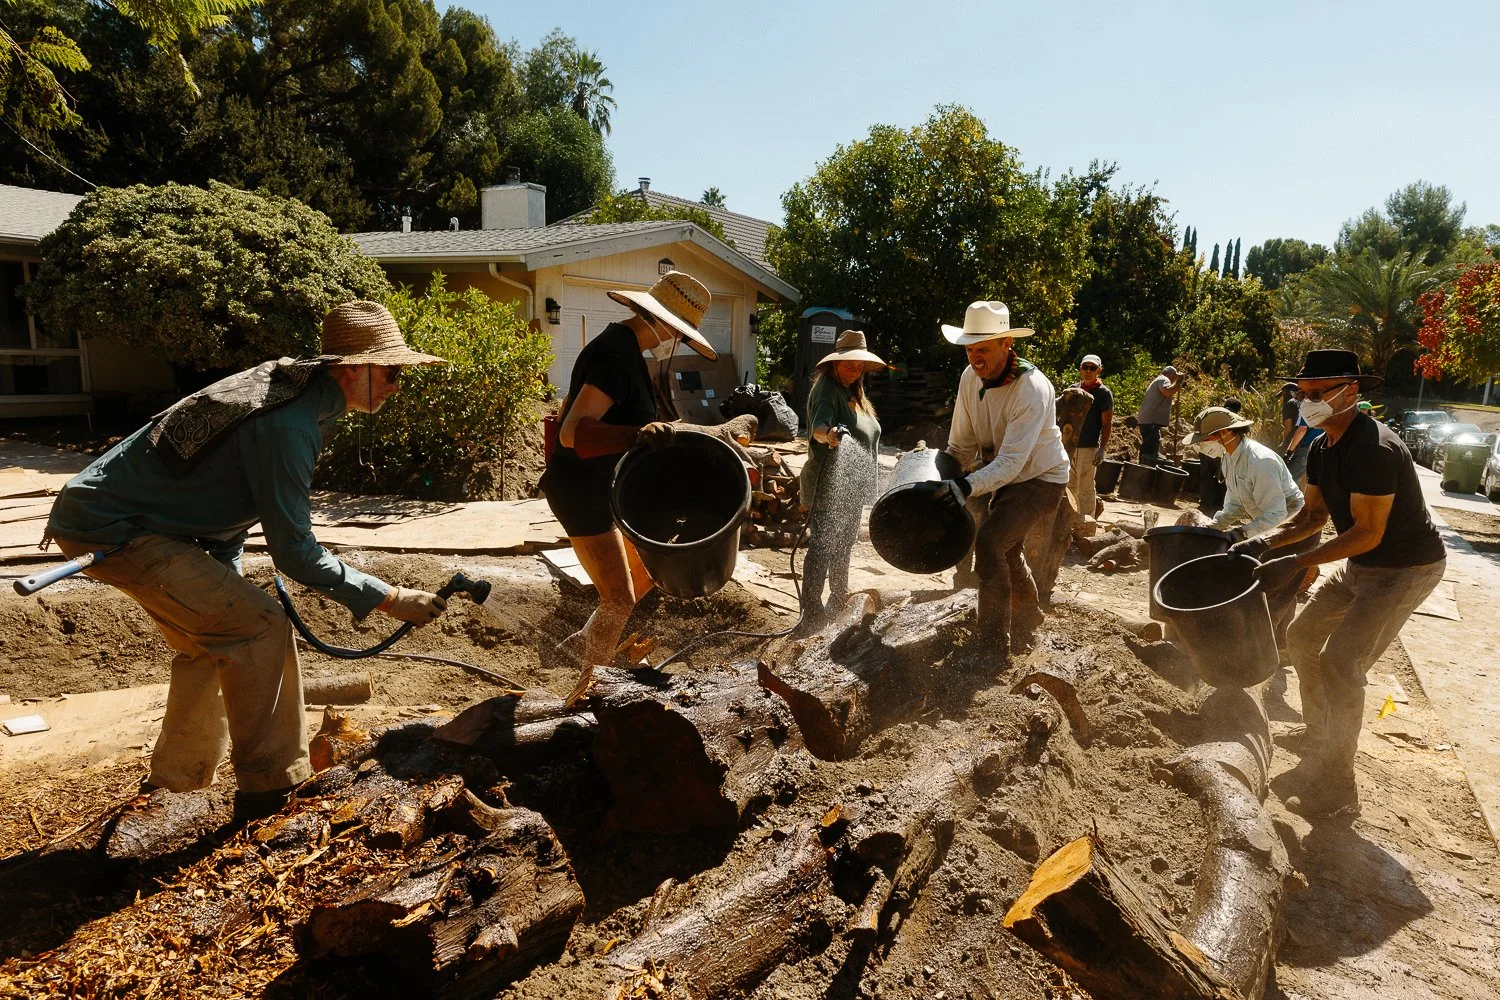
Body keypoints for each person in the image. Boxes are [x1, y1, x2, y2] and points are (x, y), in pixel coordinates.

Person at [45, 301, 449, 815]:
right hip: (115, 532)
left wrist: (227, 571)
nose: (397, 385)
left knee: (212, 641)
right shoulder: (289, 423)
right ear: (353, 368)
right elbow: (295, 553)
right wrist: (390, 598)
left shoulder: (294, 391)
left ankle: (175, 786)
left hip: (112, 519)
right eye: (392, 372)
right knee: (259, 627)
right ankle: (271, 788)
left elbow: (223, 503)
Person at [1230, 350, 1445, 819]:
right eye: (1303, 393)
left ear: (1350, 390)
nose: (1307, 401)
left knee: (1342, 662)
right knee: (1302, 637)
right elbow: (1311, 516)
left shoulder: (1374, 449)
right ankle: (1319, 731)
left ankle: (1339, 787)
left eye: (1318, 392)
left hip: (1405, 570)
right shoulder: (1324, 448)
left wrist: (1295, 564)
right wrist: (1256, 542)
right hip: (1365, 566)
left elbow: (1369, 531)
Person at [539, 270, 716, 700]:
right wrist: (637, 435)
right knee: (618, 598)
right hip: (580, 487)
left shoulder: (628, 351)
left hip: (604, 485)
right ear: (670, 324)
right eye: (682, 331)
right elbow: (571, 432)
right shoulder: (616, 353)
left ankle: (587, 646)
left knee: (649, 572)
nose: (678, 339)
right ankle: (583, 693)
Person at [937, 301, 1069, 666]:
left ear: (1006, 344)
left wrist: (964, 488)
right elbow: (960, 445)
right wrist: (943, 474)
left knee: (991, 541)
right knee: (1007, 550)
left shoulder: (1032, 388)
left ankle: (993, 645)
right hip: (1007, 473)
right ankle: (1029, 615)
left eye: (983, 349)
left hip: (1041, 479)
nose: (975, 357)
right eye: (969, 349)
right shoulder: (969, 378)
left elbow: (1013, 462)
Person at [1181, 406, 1309, 648]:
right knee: (1281, 588)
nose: (1201, 446)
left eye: (1205, 439)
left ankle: (1261, 651)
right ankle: (1282, 645)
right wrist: (1215, 525)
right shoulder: (1230, 458)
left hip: (1295, 529)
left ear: (1225, 434)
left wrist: (1241, 533)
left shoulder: (1260, 462)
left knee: (1274, 590)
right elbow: (1236, 503)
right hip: (1269, 525)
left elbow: (1277, 515)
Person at [799, 330, 885, 623]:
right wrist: (832, 434)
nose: (855, 368)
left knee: (844, 543)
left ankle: (837, 602)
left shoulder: (854, 391)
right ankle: (810, 611)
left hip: (850, 487)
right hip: (829, 485)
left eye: (860, 363)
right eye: (849, 362)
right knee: (823, 546)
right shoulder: (827, 389)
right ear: (834, 363)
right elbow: (819, 428)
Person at [1068, 353, 1113, 527]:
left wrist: (1102, 448)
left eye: (1092, 368)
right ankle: (1069, 522)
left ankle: (1086, 526)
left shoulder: (1103, 394)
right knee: (1069, 486)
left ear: (1099, 370)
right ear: (1080, 369)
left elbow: (1106, 423)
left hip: (1088, 448)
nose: (1088, 371)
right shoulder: (1073, 390)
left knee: (1085, 488)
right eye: (1085, 367)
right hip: (1070, 445)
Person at [1135, 365, 1182, 465]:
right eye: (1175, 376)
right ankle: (1143, 470)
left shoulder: (1159, 380)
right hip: (1150, 421)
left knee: (1151, 446)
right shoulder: (1164, 379)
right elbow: (1168, 392)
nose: (1175, 379)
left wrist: (1173, 404)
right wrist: (1178, 382)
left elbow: (1161, 399)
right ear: (1171, 374)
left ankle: (1145, 468)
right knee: (1149, 451)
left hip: (1149, 420)